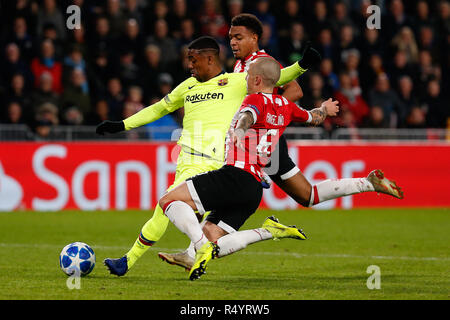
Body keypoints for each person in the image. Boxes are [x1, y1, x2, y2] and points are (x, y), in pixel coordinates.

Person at [158, 13, 404, 271]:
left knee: (211, 189)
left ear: (254, 38)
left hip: (259, 145)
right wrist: (280, 113)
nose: (232, 42)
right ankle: (366, 183)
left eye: (238, 37)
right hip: (262, 144)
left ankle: (196, 246)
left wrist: (270, 117)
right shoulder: (242, 66)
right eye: (230, 37)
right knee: (307, 195)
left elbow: (295, 90)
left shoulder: (261, 63)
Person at [96, 36, 308, 276]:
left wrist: (302, 65)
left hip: (216, 162)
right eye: (188, 60)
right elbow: (157, 109)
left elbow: (277, 76)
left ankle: (136, 259)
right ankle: (141, 259)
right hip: (187, 161)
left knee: (171, 208)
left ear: (210, 59)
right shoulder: (187, 87)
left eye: (193, 60)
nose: (190, 65)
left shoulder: (236, 82)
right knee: (179, 216)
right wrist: (122, 125)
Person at [157, 58, 333, 280]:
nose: (245, 79)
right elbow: (313, 117)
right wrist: (325, 109)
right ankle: (269, 231)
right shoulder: (286, 106)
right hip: (253, 189)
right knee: (212, 234)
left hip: (235, 175)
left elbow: (247, 116)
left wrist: (239, 131)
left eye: (248, 76)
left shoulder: (254, 99)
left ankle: (201, 248)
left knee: (168, 200)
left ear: (257, 79)